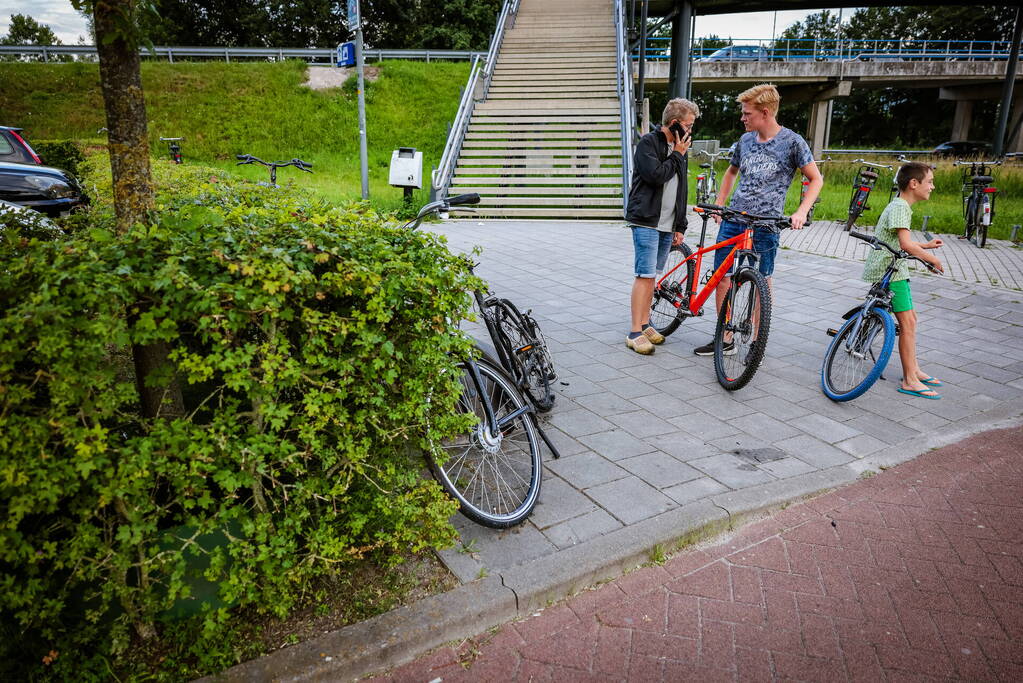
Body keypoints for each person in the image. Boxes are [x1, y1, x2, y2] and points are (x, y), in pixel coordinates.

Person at [694, 83, 822, 356]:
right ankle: (725, 337)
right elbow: (731, 173)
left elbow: (815, 179)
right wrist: (720, 203)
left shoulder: (792, 142)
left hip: (766, 223)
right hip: (734, 219)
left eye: (747, 113)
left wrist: (800, 211)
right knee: (723, 277)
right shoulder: (745, 141)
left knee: (762, 281)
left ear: (765, 113)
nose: (742, 118)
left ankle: (756, 343)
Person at [624, 98, 699, 355]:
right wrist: (677, 154)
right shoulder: (649, 143)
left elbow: (681, 189)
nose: (690, 131)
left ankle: (646, 324)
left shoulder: (679, 149)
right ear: (675, 123)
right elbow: (655, 175)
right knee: (644, 275)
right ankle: (634, 331)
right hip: (646, 219)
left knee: (653, 276)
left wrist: (681, 224)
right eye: (688, 125)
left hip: (667, 224)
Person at [863, 161, 945, 399]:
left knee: (911, 320)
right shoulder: (900, 206)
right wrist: (931, 259)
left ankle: (915, 369)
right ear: (913, 183)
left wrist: (925, 245)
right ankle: (910, 379)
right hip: (892, 272)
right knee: (907, 323)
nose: (932, 187)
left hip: (894, 269)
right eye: (929, 182)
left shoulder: (900, 206)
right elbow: (905, 244)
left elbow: (901, 242)